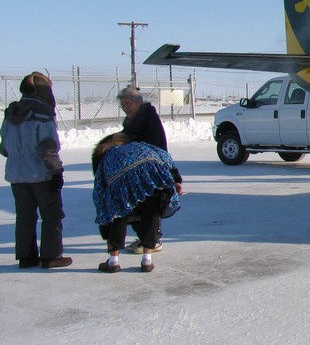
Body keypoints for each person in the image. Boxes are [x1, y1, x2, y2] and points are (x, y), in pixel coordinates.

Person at [1, 72, 72, 268]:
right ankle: (51, 256)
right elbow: (48, 148)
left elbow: (4, 148)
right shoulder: (43, 113)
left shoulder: (11, 113)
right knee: (51, 215)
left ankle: (26, 256)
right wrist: (56, 171)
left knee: (24, 216)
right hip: (41, 175)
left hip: (16, 175)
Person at [91, 133, 182, 273]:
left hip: (121, 179)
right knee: (152, 211)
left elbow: (100, 194)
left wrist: (104, 219)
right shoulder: (140, 145)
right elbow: (164, 157)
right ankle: (147, 260)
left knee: (117, 211)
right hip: (151, 172)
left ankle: (113, 261)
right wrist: (175, 180)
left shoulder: (105, 159)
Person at [117, 86, 168, 253]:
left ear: (138, 102)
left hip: (150, 168)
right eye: (123, 105)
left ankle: (152, 240)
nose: (126, 108)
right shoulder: (131, 120)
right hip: (136, 169)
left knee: (149, 205)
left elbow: (152, 142)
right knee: (135, 204)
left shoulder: (148, 117)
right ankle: (144, 238)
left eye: (129, 104)